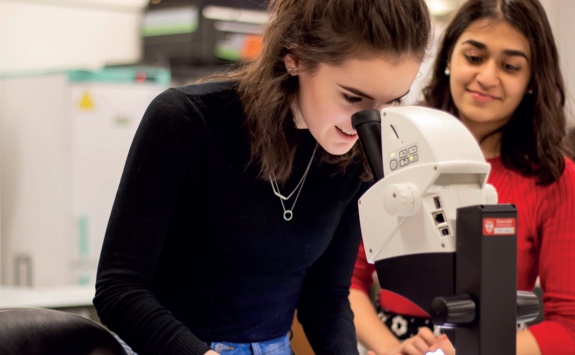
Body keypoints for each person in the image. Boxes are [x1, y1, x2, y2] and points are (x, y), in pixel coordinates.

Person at [92, 0, 432, 354]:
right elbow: (119, 289)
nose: (368, 126)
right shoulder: (188, 122)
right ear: (295, 56)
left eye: (392, 102)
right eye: (352, 97)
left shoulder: (356, 153)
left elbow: (326, 301)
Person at [349, 0, 575, 354]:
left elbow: (569, 324)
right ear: (448, 60)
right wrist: (394, 349)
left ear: (533, 79)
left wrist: (482, 348)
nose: (486, 77)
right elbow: (349, 282)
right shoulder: (391, 153)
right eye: (473, 57)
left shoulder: (557, 179)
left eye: (510, 66)